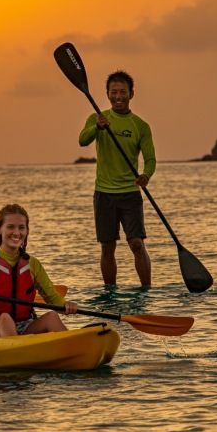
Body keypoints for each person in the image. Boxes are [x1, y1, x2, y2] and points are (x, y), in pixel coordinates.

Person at [78, 70, 155, 287]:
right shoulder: (97, 118)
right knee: (107, 247)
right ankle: (110, 292)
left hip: (130, 193)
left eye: (123, 92)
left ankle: (146, 290)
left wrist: (145, 176)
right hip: (104, 194)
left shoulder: (140, 126)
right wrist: (97, 127)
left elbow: (150, 159)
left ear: (131, 94)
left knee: (137, 244)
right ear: (108, 94)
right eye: (114, 92)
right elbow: (82, 140)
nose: (118, 96)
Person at [0, 203, 78, 337]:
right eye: (10, 227)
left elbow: (52, 297)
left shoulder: (32, 264)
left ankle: (75, 351)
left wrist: (66, 305)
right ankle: (20, 355)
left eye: (21, 228)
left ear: (27, 231)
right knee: (5, 320)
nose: (17, 232)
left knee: (52, 317)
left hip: (23, 324)